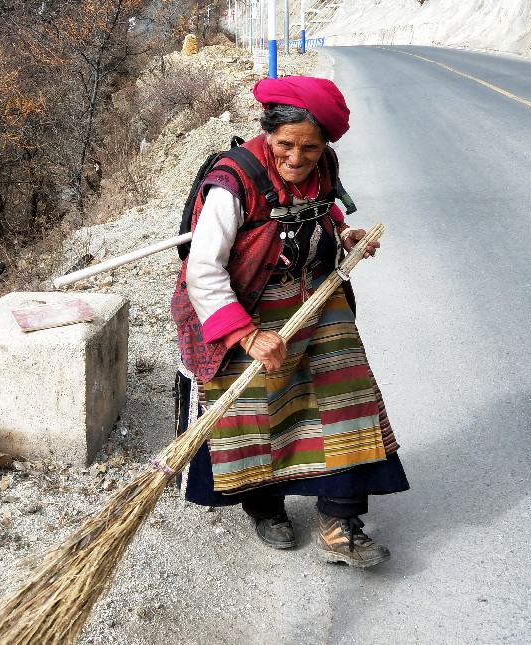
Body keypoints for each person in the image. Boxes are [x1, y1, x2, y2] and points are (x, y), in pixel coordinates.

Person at [171, 75, 409, 568]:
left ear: (325, 145)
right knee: (258, 409)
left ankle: (340, 521)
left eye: (310, 147)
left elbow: (326, 213)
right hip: (244, 304)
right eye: (285, 146)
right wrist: (247, 334)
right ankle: (265, 509)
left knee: (344, 396)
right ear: (267, 135)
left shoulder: (324, 166)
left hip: (316, 296)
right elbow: (202, 268)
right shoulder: (233, 181)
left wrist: (345, 237)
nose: (297, 159)